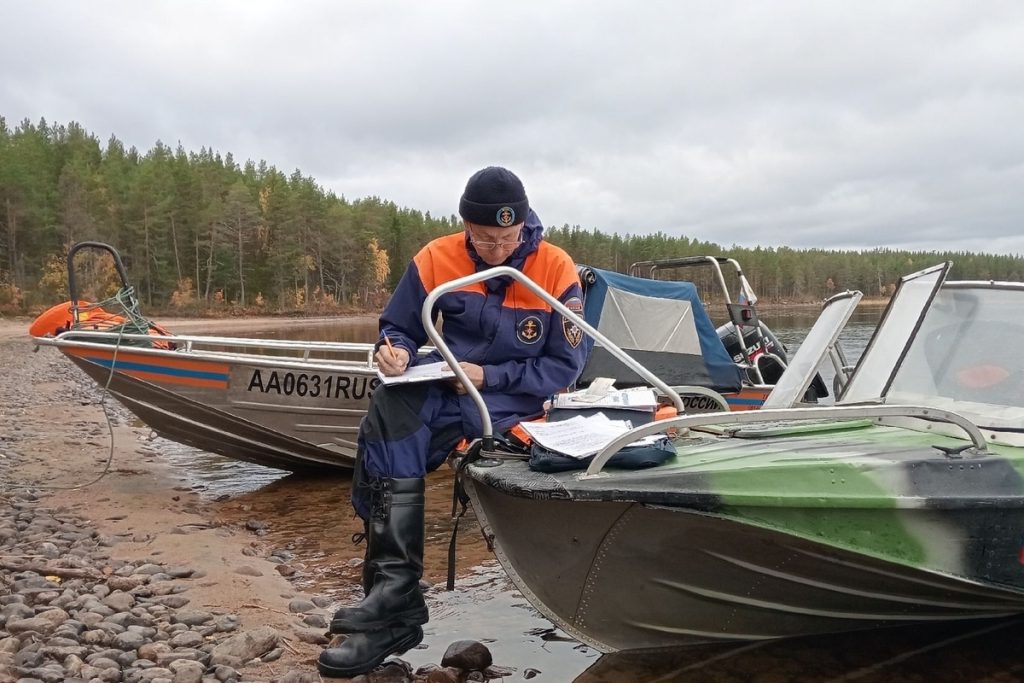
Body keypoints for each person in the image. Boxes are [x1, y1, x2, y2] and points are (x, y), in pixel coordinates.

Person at [317, 166, 589, 677]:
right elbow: (399, 325)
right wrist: (394, 350)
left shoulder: (555, 268)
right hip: (450, 385)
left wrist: (491, 374)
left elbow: (564, 367)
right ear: (465, 225)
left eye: (508, 238)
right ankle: (395, 594)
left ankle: (390, 609)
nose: (497, 250)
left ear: (525, 224)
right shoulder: (435, 257)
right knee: (388, 413)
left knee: (384, 441)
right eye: (485, 239)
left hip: (516, 397)